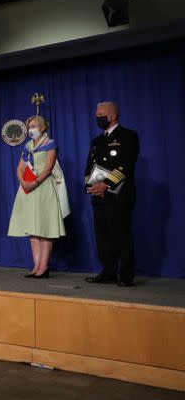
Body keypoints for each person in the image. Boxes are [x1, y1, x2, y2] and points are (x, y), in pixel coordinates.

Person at [84, 101, 139, 287]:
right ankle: (108, 272)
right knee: (103, 237)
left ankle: (125, 275)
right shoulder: (96, 141)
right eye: (96, 114)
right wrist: (90, 187)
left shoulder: (128, 136)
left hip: (118, 195)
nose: (97, 117)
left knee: (121, 235)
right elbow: (89, 166)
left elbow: (125, 165)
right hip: (98, 196)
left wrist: (105, 185)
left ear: (113, 115)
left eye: (101, 114)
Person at [7, 116, 68, 278]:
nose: (29, 130)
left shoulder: (50, 144)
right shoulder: (27, 146)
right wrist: (23, 182)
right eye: (28, 127)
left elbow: (48, 168)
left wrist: (34, 183)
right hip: (27, 189)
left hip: (43, 187)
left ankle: (44, 267)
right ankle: (36, 266)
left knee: (44, 228)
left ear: (42, 127)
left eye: (33, 126)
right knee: (33, 229)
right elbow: (20, 167)